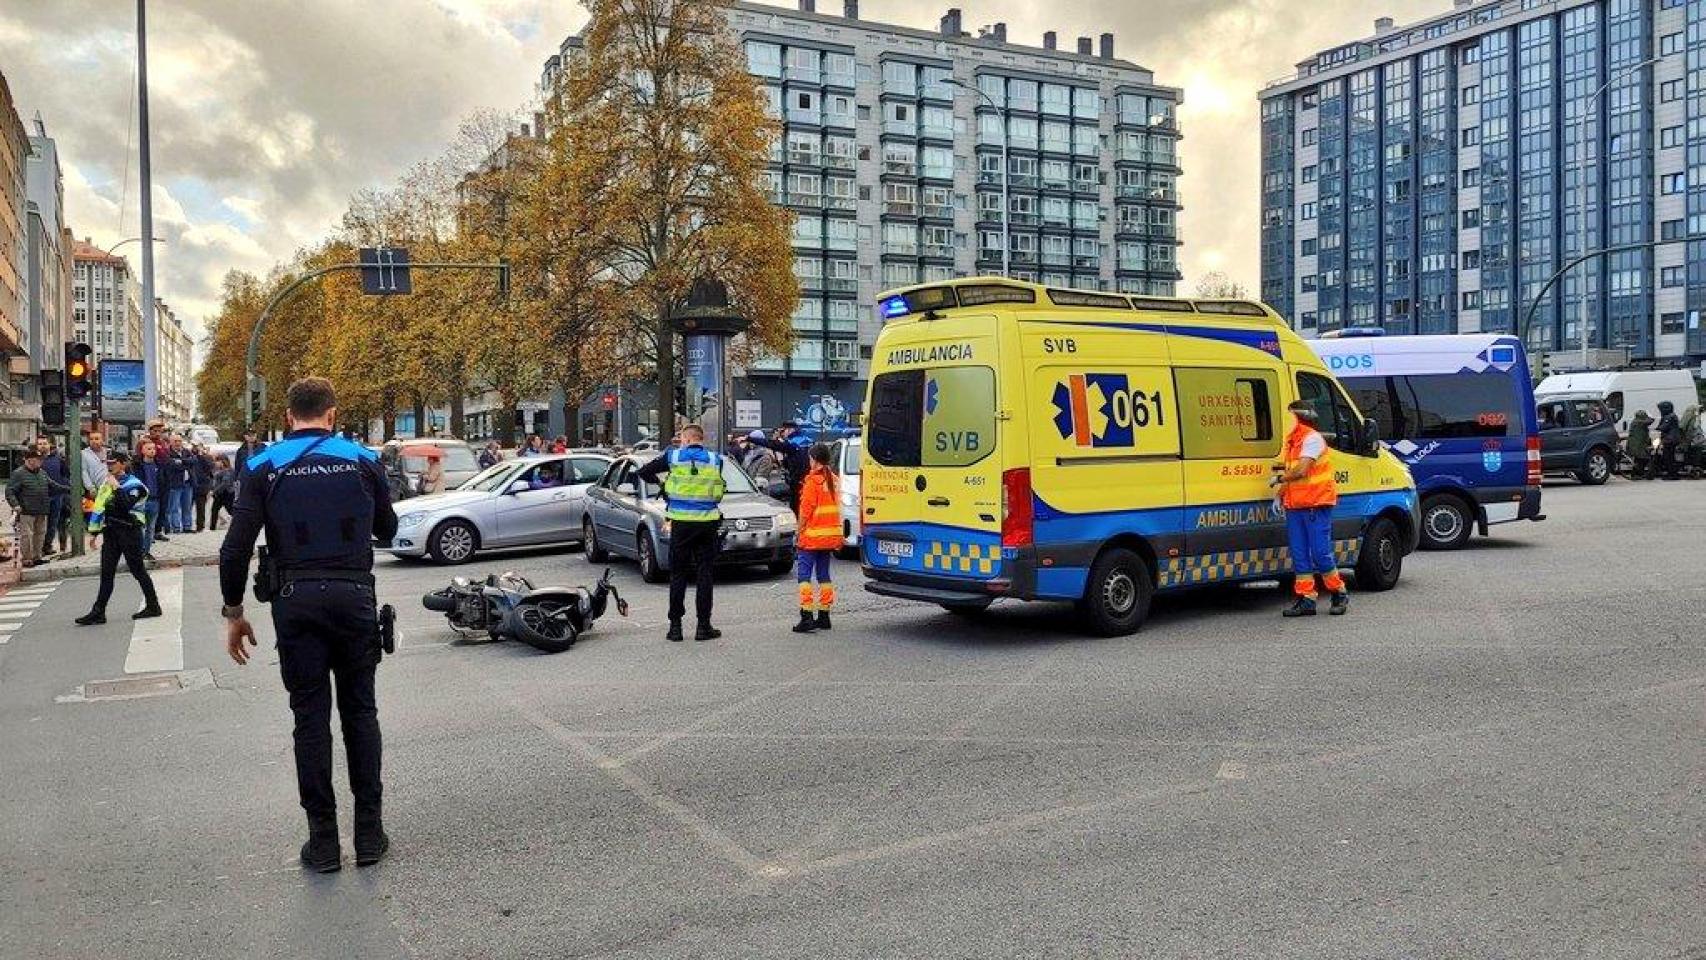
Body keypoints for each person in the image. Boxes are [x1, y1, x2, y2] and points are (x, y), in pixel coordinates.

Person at [218, 376, 398, 873]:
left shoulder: (261, 465)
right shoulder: (364, 459)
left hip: (295, 602)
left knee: (309, 719)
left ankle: (322, 842)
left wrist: (234, 612)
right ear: (332, 415)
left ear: (287, 417)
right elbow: (388, 528)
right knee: (360, 712)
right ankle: (368, 834)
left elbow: (234, 548)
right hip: (354, 595)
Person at [636, 423, 726, 643]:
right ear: (701, 439)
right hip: (707, 523)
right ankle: (703, 627)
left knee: (678, 575)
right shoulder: (716, 460)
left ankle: (675, 628)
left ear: (686, 439)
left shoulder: (673, 457)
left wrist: (663, 485)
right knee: (705, 575)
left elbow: (643, 471)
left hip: (681, 523)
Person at [1273, 399, 1348, 618]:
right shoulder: (1292, 441)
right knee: (1299, 555)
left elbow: (1302, 470)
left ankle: (1338, 591)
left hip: (1316, 505)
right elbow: (1292, 472)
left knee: (1320, 553)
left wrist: (1278, 479)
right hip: (1295, 506)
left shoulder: (1311, 438)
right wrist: (1280, 494)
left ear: (1297, 418)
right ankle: (1306, 599)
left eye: (1289, 417)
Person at [74, 451, 162, 625]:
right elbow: (100, 508)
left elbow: (124, 506)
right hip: (111, 532)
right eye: (107, 463)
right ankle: (98, 611)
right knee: (106, 573)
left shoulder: (135, 485)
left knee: (138, 570)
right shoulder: (107, 484)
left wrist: (116, 488)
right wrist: (94, 533)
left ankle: (153, 605)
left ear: (122, 464)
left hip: (130, 532)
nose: (109, 466)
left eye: (113, 463)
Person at [790, 443, 844, 633]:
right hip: (830, 536)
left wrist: (799, 531)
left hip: (812, 536)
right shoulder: (834, 480)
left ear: (814, 459)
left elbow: (805, 511)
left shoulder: (813, 481)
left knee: (804, 576)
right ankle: (824, 615)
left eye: (810, 458)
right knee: (824, 575)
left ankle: (806, 616)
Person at [7, 448, 64, 569]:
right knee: (27, 535)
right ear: (29, 460)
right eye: (38, 460)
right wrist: (15, 505)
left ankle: (37, 557)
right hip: (26, 510)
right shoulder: (19, 474)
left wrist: (68, 488)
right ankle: (27, 559)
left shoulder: (42, 473)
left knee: (40, 534)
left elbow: (52, 485)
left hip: (41, 509)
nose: (40, 462)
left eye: (40, 460)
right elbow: (10, 491)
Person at [747, 421, 812, 509]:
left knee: (797, 507)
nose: (782, 434)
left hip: (798, 481)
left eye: (783, 431)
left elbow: (771, 444)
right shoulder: (807, 440)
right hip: (808, 479)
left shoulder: (792, 443)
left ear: (790, 430)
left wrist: (750, 438)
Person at [133, 438, 164, 562]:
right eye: (148, 449)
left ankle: (146, 551)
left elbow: (163, 481)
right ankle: (138, 552)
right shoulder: (137, 466)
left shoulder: (158, 465)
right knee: (140, 527)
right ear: (142, 450)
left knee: (151, 528)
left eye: (153, 449)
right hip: (141, 500)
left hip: (155, 499)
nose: (152, 451)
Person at [39, 437, 71, 557]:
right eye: (40, 444)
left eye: (44, 443)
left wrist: (64, 486)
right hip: (41, 497)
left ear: (49, 445)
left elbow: (66, 475)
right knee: (41, 524)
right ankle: (39, 547)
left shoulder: (58, 460)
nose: (42, 446)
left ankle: (48, 546)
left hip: (57, 496)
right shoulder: (35, 460)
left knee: (54, 522)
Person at [233, 427, 268, 500]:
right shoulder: (241, 450)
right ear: (245, 436)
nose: (252, 437)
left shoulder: (263, 448)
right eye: (249, 435)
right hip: (246, 479)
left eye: (253, 435)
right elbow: (237, 467)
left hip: (260, 477)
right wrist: (237, 480)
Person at [1655, 401, 1683, 481]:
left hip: (1670, 440)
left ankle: (1672, 474)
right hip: (1671, 439)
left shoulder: (1669, 417)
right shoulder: (1670, 415)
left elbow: (1663, 427)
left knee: (1668, 457)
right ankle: (1672, 473)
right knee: (1670, 457)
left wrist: (1658, 428)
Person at [191, 445, 215, 531]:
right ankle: (187, 525)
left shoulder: (205, 458)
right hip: (190, 484)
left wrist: (202, 455)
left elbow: (210, 468)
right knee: (187, 507)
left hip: (201, 485)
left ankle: (200, 526)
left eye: (197, 447)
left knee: (201, 507)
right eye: (194, 447)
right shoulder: (189, 456)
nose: (196, 449)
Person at [208, 455, 236, 530]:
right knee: (214, 510)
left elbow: (224, 483)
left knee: (231, 510)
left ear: (223, 461)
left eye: (218, 461)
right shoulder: (218, 470)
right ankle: (212, 527)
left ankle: (240, 524)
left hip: (227, 494)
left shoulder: (228, 470)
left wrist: (213, 491)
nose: (216, 463)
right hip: (219, 494)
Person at [1626, 409, 1654, 481]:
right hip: (1638, 444)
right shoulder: (1639, 422)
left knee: (1639, 459)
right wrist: (1650, 416)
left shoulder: (1635, 421)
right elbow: (1651, 421)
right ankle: (1637, 474)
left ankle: (1637, 474)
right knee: (1642, 458)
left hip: (1638, 444)